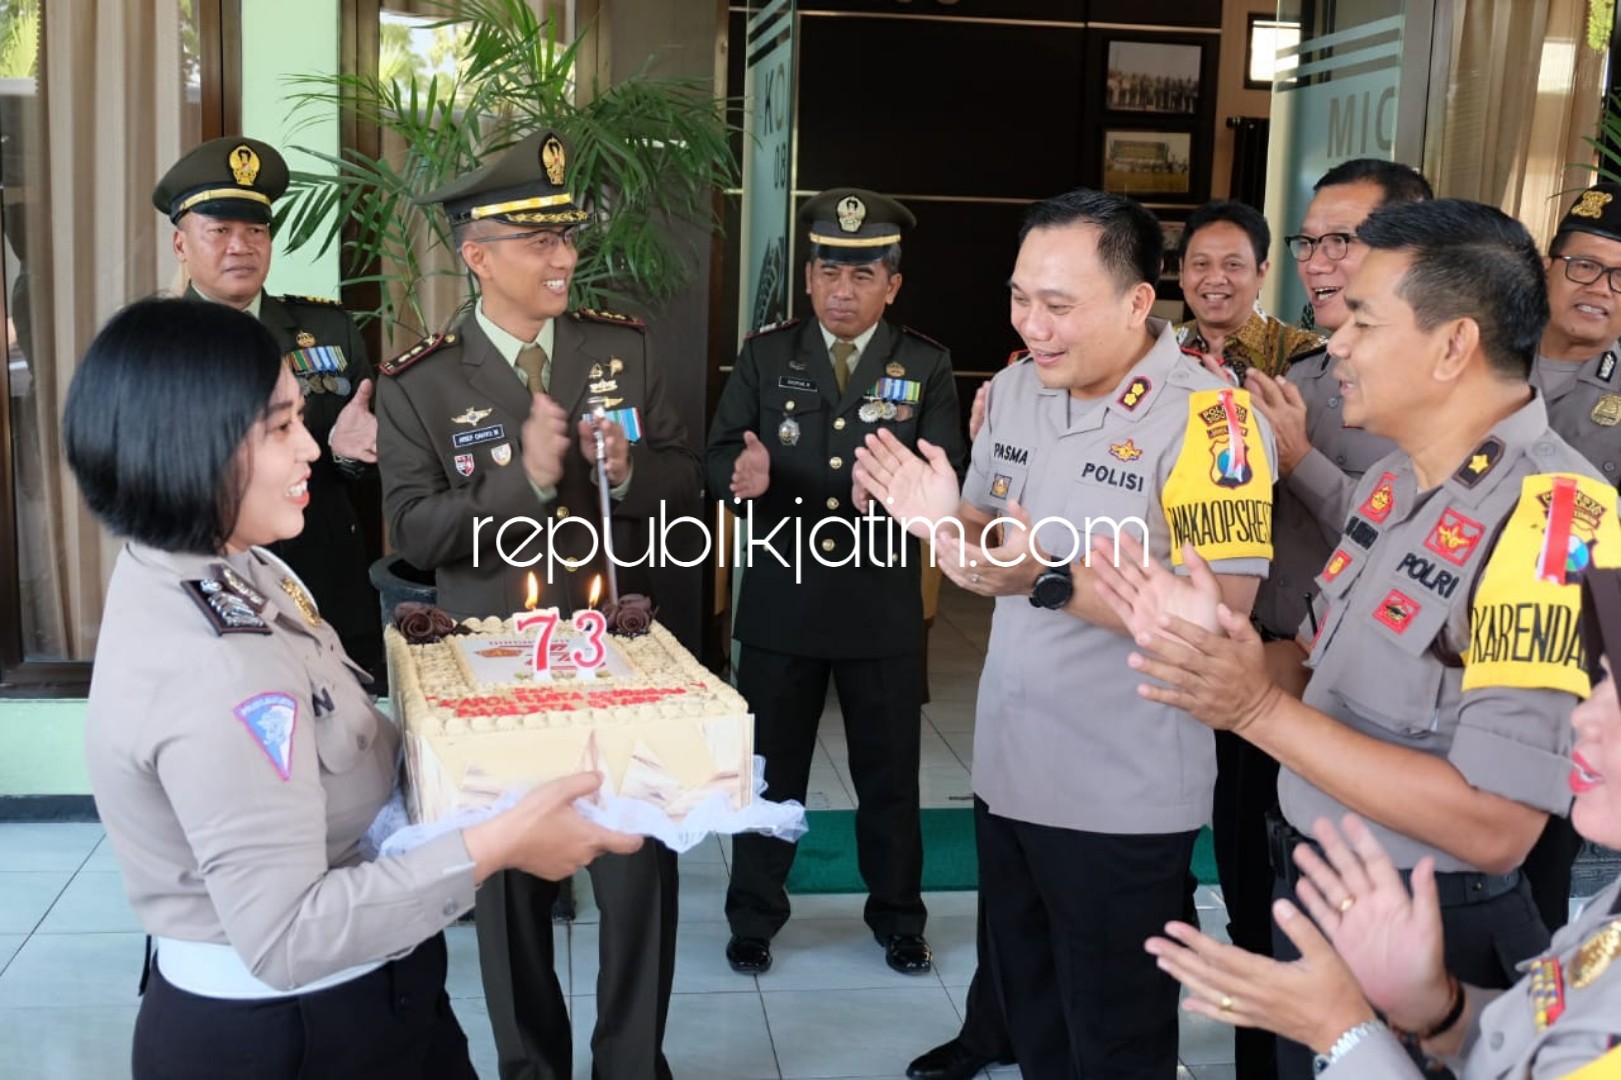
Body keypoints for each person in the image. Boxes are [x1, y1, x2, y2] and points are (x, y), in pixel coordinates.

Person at [1093, 197, 1620, 1079]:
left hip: (1434, 938)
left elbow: (1494, 826)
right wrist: (1200, 648)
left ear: (1453, 345)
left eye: (1364, 320)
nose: (1333, 340)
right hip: (1331, 902)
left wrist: (1249, 706)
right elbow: (1312, 666)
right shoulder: (1389, 486)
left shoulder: (1555, 517)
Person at [64, 297, 641, 1079]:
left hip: (370, 997)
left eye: (300, 417)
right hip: (290, 1035)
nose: (311, 448)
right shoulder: (219, 669)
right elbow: (285, 937)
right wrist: (500, 843)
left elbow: (346, 739)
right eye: (278, 427)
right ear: (186, 445)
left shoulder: (233, 566)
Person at [853, 187, 1277, 1077]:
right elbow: (982, 546)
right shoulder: (1013, 388)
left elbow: (1224, 614)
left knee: (1114, 1036)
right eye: (1019, 298)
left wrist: (1045, 579)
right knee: (1035, 1017)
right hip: (1010, 771)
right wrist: (932, 519)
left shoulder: (1212, 420)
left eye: (1057, 305)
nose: (1032, 324)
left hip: (1120, 795)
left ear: (1134, 301)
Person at [375, 129, 702, 1080]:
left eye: (565, 236)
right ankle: (532, 1070)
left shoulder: (621, 348)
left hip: (616, 659)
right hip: (496, 668)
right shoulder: (420, 383)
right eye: (537, 242)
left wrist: (631, 467)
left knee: (640, 871)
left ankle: (632, 1066)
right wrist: (525, 480)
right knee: (510, 890)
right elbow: (411, 533)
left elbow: (686, 478)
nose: (564, 257)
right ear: (477, 256)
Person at [1144, 555, 1621, 1075]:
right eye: (1598, 682)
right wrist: (1441, 1010)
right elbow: (1531, 1051)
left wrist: (1343, 1031)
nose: (1582, 717)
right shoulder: (1607, 916)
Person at [1208, 159, 1430, 1079]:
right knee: (1251, 896)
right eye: (1310, 241)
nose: (1320, 261)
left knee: (1344, 928)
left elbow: (1413, 549)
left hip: (1358, 703)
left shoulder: (1435, 387)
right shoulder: (1294, 366)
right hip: (1259, 668)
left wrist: (1298, 456)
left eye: (1344, 240)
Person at [709, 187, 964, 977]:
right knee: (768, 773)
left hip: (880, 605)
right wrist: (737, 476)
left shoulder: (924, 363)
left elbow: (947, 469)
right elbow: (719, 454)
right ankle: (754, 915)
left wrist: (909, 489)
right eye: (827, 272)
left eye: (862, 276)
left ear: (892, 282)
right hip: (784, 602)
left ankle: (898, 918)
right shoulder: (765, 355)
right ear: (810, 278)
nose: (841, 291)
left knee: (887, 776)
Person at [152, 136, 385, 683]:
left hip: (326, 578)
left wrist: (352, 456)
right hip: (211, 584)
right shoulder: (155, 346)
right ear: (181, 245)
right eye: (220, 230)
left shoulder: (327, 330)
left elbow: (368, 458)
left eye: (255, 230)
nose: (241, 246)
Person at [1521, 183, 1621, 933]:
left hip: (1562, 676)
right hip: (1439, 659)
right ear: (1547, 267)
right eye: (1584, 266)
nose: (1600, 290)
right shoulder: (1476, 352)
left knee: (1533, 884)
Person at [1173, 198, 1324, 384]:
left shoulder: (1303, 353)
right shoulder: (1161, 346)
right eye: (1201, 264)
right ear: (1182, 271)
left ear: (1261, 273)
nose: (1215, 278)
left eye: (1233, 265)